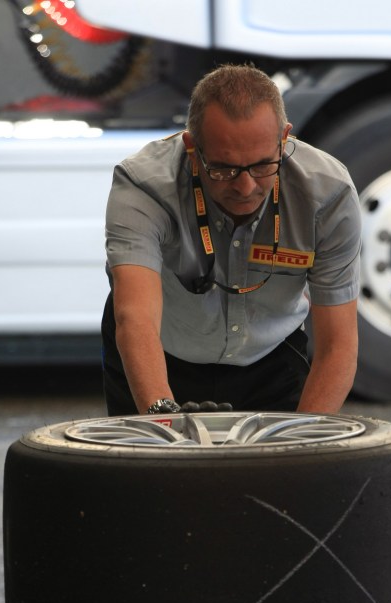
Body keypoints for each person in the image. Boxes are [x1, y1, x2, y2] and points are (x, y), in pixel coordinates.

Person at [101, 63, 361, 416]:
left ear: (284, 140)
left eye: (261, 166)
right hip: (160, 352)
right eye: (223, 169)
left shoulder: (328, 194)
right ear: (192, 148)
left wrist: (301, 448)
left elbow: (338, 345)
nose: (245, 187)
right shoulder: (144, 185)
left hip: (272, 359)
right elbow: (135, 318)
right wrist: (162, 421)